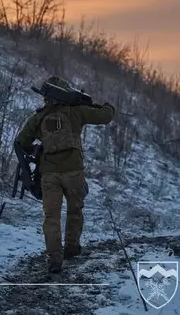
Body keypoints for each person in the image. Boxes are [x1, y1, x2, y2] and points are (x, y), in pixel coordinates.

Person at [16, 76, 115, 273]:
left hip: (49, 175)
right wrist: (106, 105)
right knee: (75, 210)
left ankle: (54, 259)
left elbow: (21, 142)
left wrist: (38, 149)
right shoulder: (76, 112)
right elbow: (106, 116)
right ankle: (72, 248)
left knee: (51, 217)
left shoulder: (39, 117)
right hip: (73, 172)